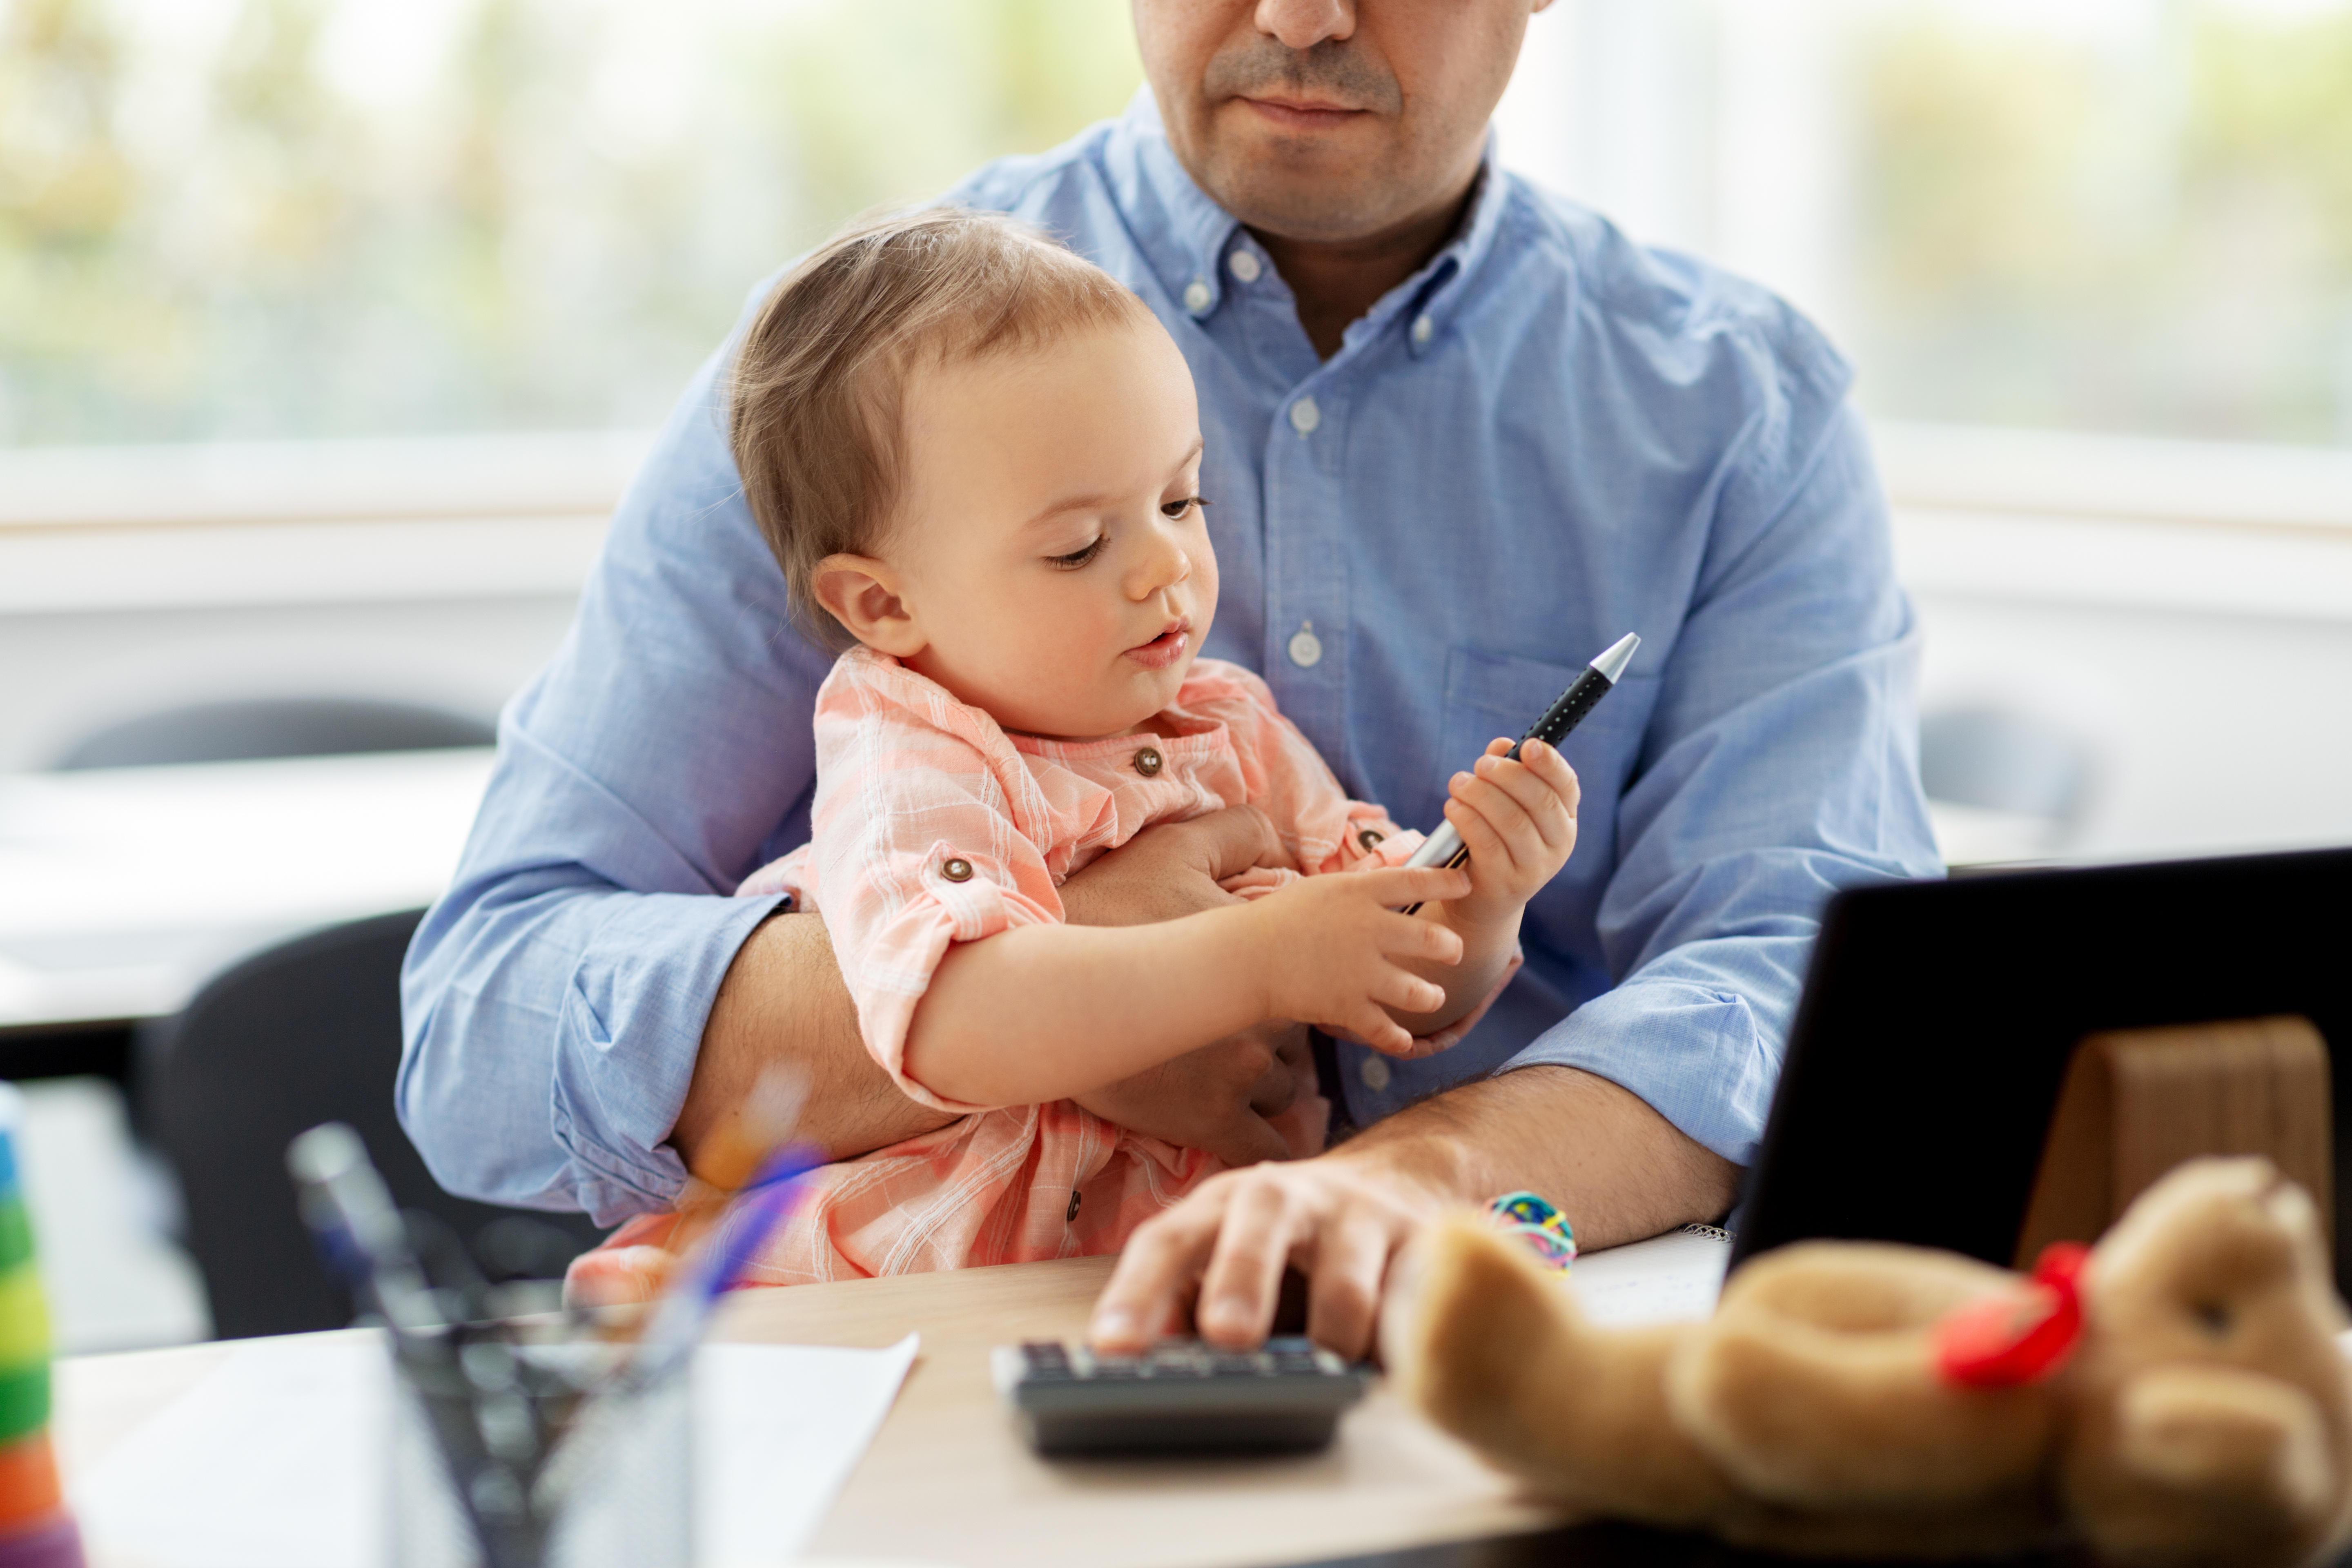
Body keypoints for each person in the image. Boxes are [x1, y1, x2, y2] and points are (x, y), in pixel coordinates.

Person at [400, 0, 1941, 1359]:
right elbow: (487, 1028)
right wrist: (1103, 971)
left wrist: (1414, 1175)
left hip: (1509, 1348)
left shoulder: (1745, 412)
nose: (1303, 12)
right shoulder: (853, 389)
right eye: (1075, 546)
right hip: (950, 1377)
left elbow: (1807, 978)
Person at [570, 207, 1581, 1291]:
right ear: (883, 601)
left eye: (1179, 499)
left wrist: (1486, 898)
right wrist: (1260, 958)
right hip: (922, 1286)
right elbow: (955, 1021)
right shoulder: (909, 747)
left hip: (1176, 1266)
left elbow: (1399, 973)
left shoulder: (1227, 725)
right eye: (1079, 546)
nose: (1165, 570)